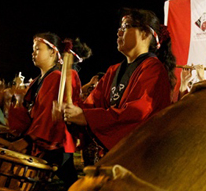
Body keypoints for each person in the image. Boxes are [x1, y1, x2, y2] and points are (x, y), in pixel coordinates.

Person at [7, 32, 82, 191]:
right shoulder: (39, 80)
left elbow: (47, 121)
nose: (34, 52)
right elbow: (33, 114)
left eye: (38, 48)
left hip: (54, 143)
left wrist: (28, 140)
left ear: (53, 53)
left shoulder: (57, 77)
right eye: (33, 48)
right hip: (45, 142)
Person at [63, 9, 174, 163]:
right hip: (113, 155)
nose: (119, 33)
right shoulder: (113, 71)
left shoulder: (153, 69)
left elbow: (138, 112)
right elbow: (92, 105)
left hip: (138, 157)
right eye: (119, 28)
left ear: (145, 34)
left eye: (126, 27)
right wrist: (73, 111)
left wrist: (86, 117)